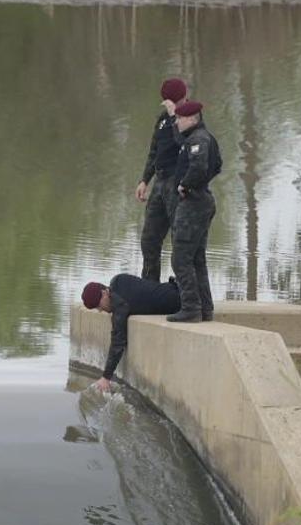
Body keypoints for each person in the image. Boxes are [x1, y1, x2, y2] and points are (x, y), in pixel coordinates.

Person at [166, 100, 222, 323]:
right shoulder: (200, 137)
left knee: (181, 258)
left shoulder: (199, 140)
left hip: (194, 203)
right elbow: (217, 165)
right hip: (201, 201)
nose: (177, 122)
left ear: (191, 119)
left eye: (179, 118)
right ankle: (204, 309)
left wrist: (185, 185)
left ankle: (191, 307)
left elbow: (199, 167)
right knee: (197, 258)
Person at [81, 274, 181, 392]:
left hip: (179, 301)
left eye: (99, 305)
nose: (100, 310)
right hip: (176, 287)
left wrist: (106, 377)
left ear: (104, 293)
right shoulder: (118, 279)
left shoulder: (120, 305)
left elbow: (118, 342)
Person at [136, 78, 187, 282]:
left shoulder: (190, 118)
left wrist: (176, 116)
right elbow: (154, 150)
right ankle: (149, 286)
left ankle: (184, 294)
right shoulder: (162, 119)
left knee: (180, 241)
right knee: (149, 239)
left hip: (178, 183)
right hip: (160, 181)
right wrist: (144, 180)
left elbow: (186, 142)